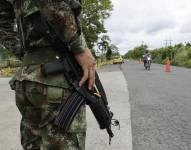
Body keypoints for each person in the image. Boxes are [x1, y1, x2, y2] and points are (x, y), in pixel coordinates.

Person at [0, 0, 96, 149]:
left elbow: (3, 21)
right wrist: (79, 47)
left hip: (28, 76)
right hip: (57, 77)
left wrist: (28, 56)